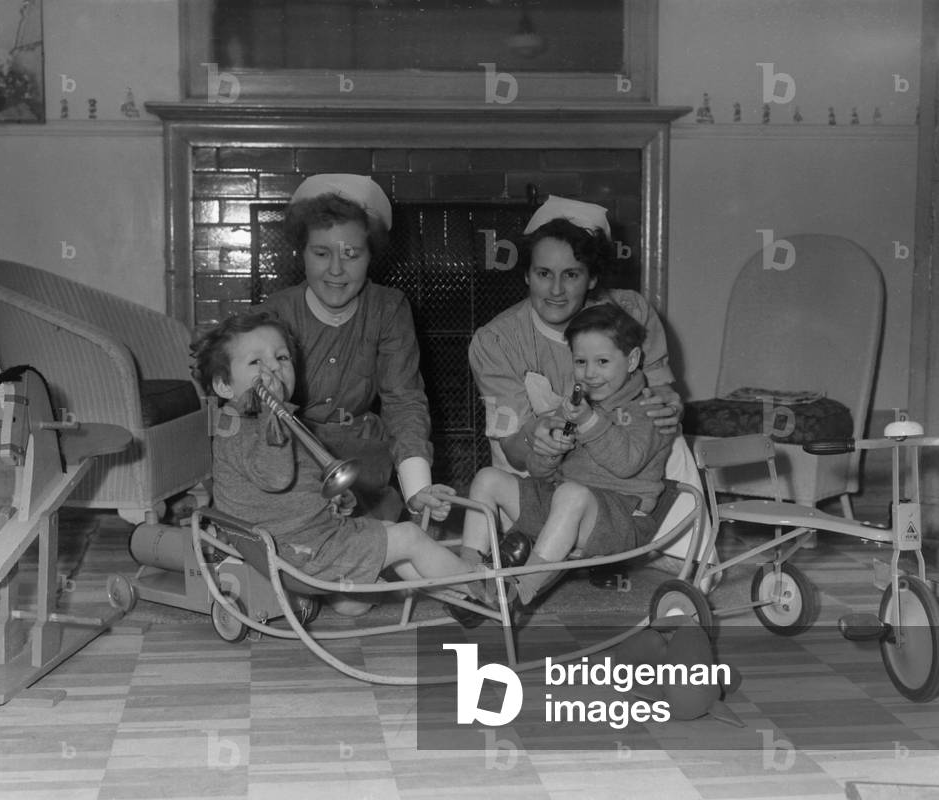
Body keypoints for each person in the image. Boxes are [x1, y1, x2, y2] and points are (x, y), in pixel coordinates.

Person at [191, 311, 485, 610]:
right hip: (297, 552)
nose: (273, 370)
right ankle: (485, 588)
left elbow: (294, 481)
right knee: (407, 536)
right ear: (224, 386)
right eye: (256, 362)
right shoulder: (249, 427)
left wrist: (333, 497)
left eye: (281, 358)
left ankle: (457, 598)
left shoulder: (257, 423)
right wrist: (273, 412)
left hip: (303, 539)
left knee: (359, 595)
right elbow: (276, 477)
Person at [467, 195, 693, 585]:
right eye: (543, 274)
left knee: (667, 435)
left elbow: (664, 392)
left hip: (625, 467)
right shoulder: (496, 340)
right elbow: (513, 450)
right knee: (508, 480)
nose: (555, 289)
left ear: (591, 278)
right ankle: (472, 570)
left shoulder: (631, 313)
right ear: (526, 275)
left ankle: (677, 550)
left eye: (571, 274)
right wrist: (538, 439)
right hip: (540, 463)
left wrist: (670, 406)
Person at [459, 303, 676, 618]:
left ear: (631, 360)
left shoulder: (652, 409)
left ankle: (520, 591)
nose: (590, 373)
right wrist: (548, 452)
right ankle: (469, 575)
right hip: (560, 506)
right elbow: (539, 472)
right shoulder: (575, 406)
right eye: (580, 361)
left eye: (602, 361)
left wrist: (588, 422)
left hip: (619, 520)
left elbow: (626, 463)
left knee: (571, 494)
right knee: (488, 478)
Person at [259, 174, 452, 524]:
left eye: (351, 254)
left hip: (362, 464)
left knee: (383, 538)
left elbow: (403, 399)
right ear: (301, 252)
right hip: (290, 462)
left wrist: (418, 489)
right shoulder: (273, 314)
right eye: (321, 253)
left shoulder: (389, 308)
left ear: (370, 255)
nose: (336, 270)